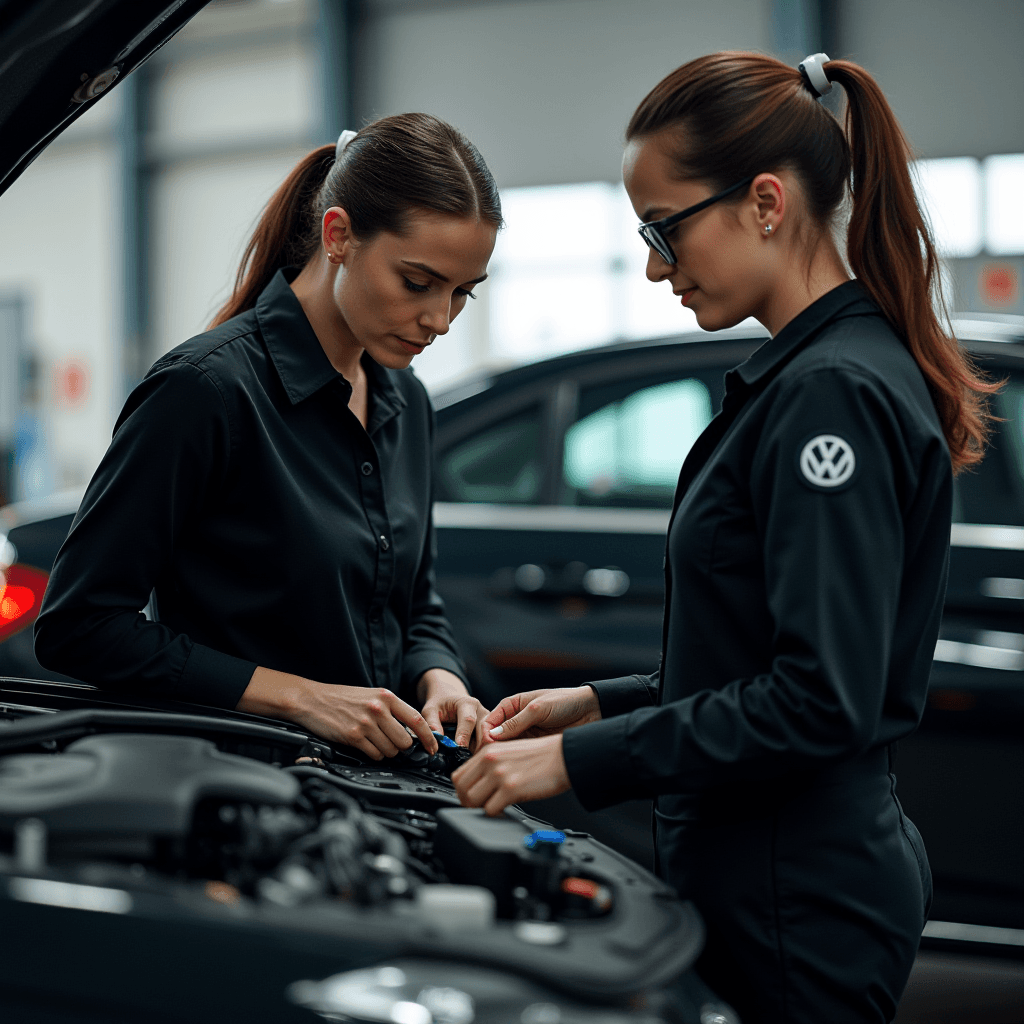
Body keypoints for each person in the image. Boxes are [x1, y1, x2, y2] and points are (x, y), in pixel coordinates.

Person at [451, 52, 998, 1023]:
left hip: (795, 890)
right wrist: (592, 702)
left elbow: (817, 699)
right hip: (777, 873)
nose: (658, 264)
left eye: (665, 229)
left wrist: (582, 763)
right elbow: (758, 653)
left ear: (763, 202)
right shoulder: (812, 372)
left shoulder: (829, 393)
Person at [35, 113, 501, 759]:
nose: (440, 320)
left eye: (463, 294)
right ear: (338, 236)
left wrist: (439, 674)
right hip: (238, 792)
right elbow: (80, 627)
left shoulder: (406, 400)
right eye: (418, 283)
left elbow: (411, 602)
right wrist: (302, 696)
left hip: (372, 797)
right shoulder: (204, 391)